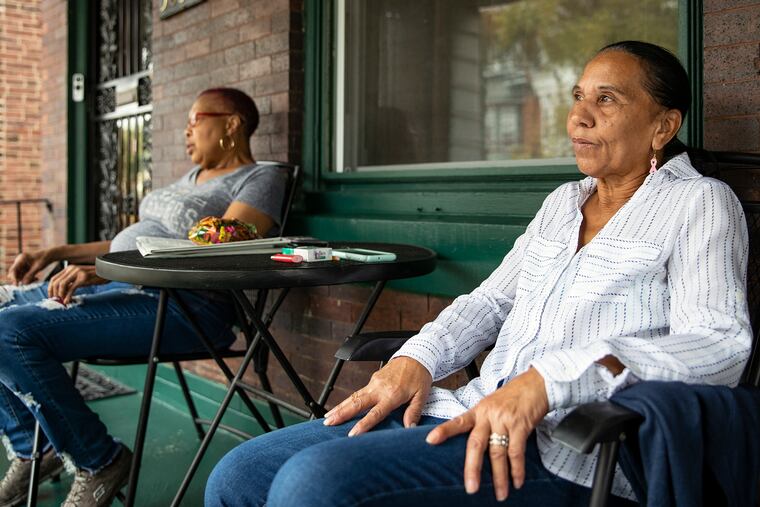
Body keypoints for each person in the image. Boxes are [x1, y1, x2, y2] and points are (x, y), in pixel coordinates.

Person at [205, 41, 752, 507]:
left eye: (606, 100)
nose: (579, 118)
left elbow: (718, 344)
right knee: (239, 474)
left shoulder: (699, 203)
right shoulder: (565, 202)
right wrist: (415, 358)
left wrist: (552, 379)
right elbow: (490, 302)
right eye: (578, 97)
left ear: (663, 125)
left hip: (573, 448)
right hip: (471, 408)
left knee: (312, 485)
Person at [0, 87, 289, 507]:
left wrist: (106, 270)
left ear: (231, 124)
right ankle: (33, 448)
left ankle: (99, 460)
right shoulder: (188, 179)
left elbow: (222, 248)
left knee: (9, 332)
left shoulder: (260, 177)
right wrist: (57, 253)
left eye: (195, 120)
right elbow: (132, 241)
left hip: (181, 307)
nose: (186, 131)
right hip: (122, 285)